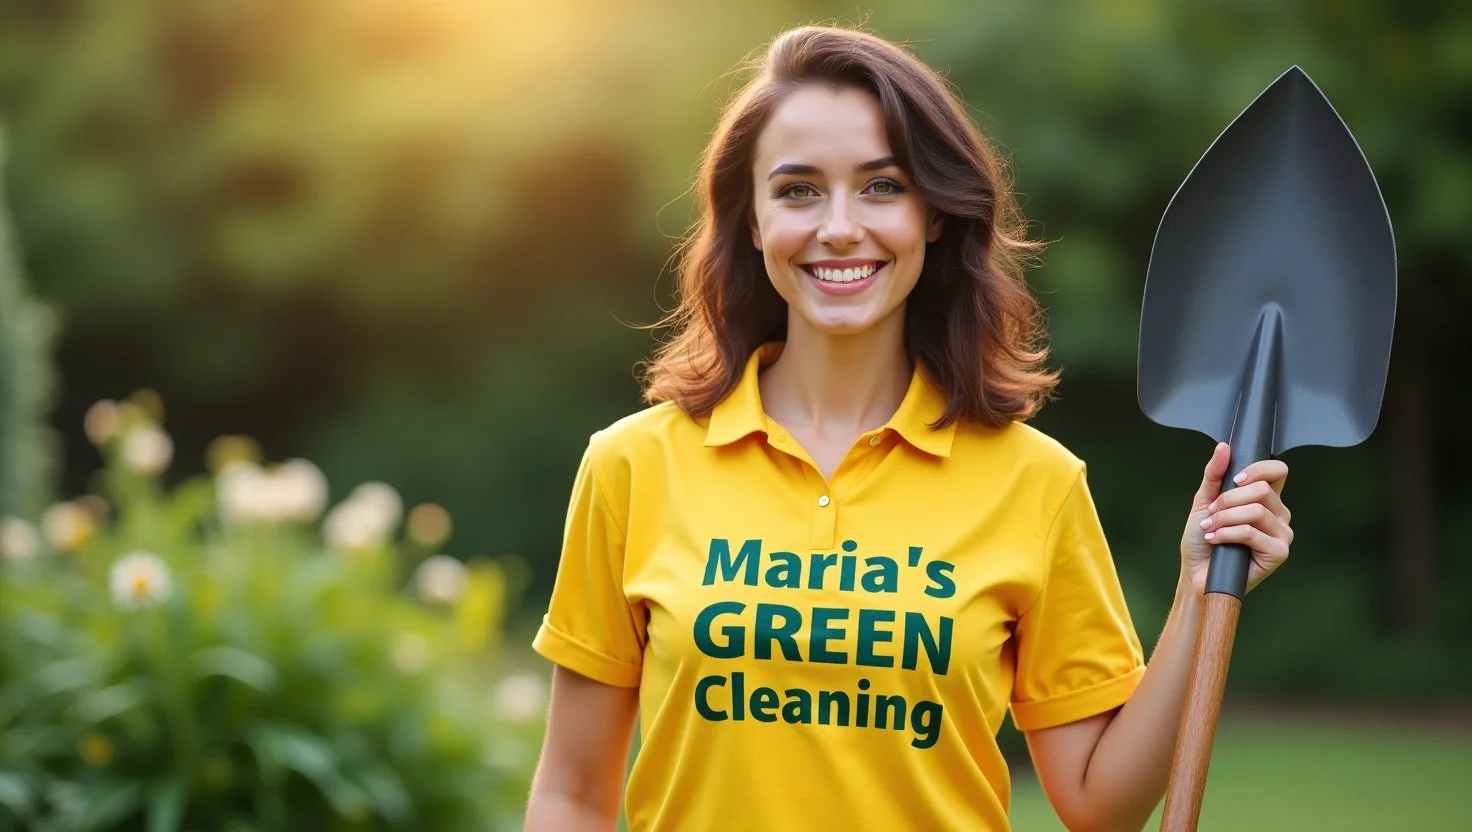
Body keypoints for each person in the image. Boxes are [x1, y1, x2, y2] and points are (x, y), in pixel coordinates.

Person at [523, 24, 1294, 832]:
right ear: (750, 221)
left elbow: (1100, 806)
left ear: (933, 214)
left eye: (883, 186)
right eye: (798, 190)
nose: (841, 226)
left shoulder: (1035, 483)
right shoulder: (631, 467)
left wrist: (1198, 590)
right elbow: (574, 795)